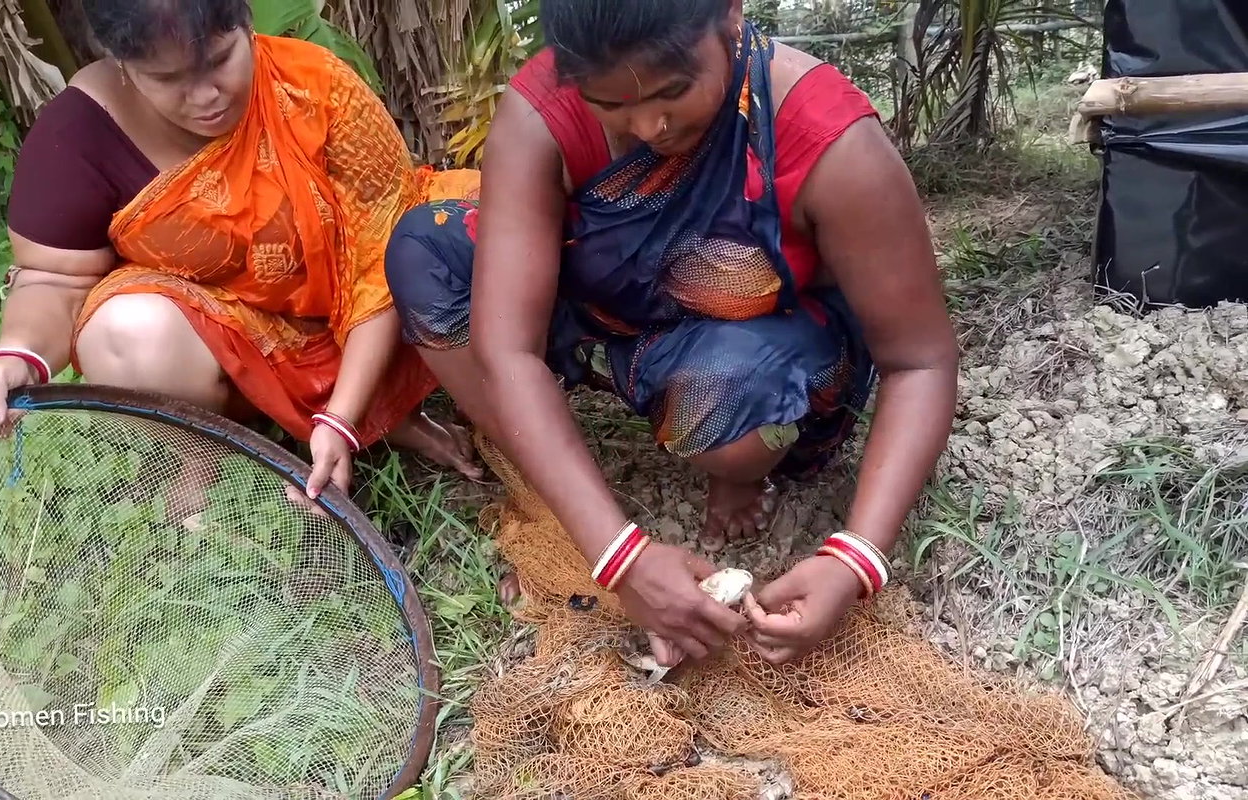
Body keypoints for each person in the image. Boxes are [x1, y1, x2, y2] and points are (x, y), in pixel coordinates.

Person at [384, 0, 958, 667]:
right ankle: (550, 487)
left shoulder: (824, 137)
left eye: (674, 91)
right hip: (612, 309)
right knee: (425, 253)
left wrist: (856, 558)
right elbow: (506, 349)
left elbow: (920, 360)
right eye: (609, 104)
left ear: (731, 18)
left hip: (756, 339)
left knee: (732, 406)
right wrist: (619, 555)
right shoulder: (541, 115)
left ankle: (737, 462)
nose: (648, 126)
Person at [0, 0, 483, 502]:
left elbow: (378, 259)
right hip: (234, 343)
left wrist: (342, 416)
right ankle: (200, 451)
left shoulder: (313, 88)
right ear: (121, 62)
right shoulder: (80, 135)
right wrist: (17, 354)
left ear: (245, 23)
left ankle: (388, 413)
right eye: (166, 78)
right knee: (126, 329)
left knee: (456, 235)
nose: (205, 97)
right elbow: (55, 277)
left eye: (220, 60)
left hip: (367, 321)